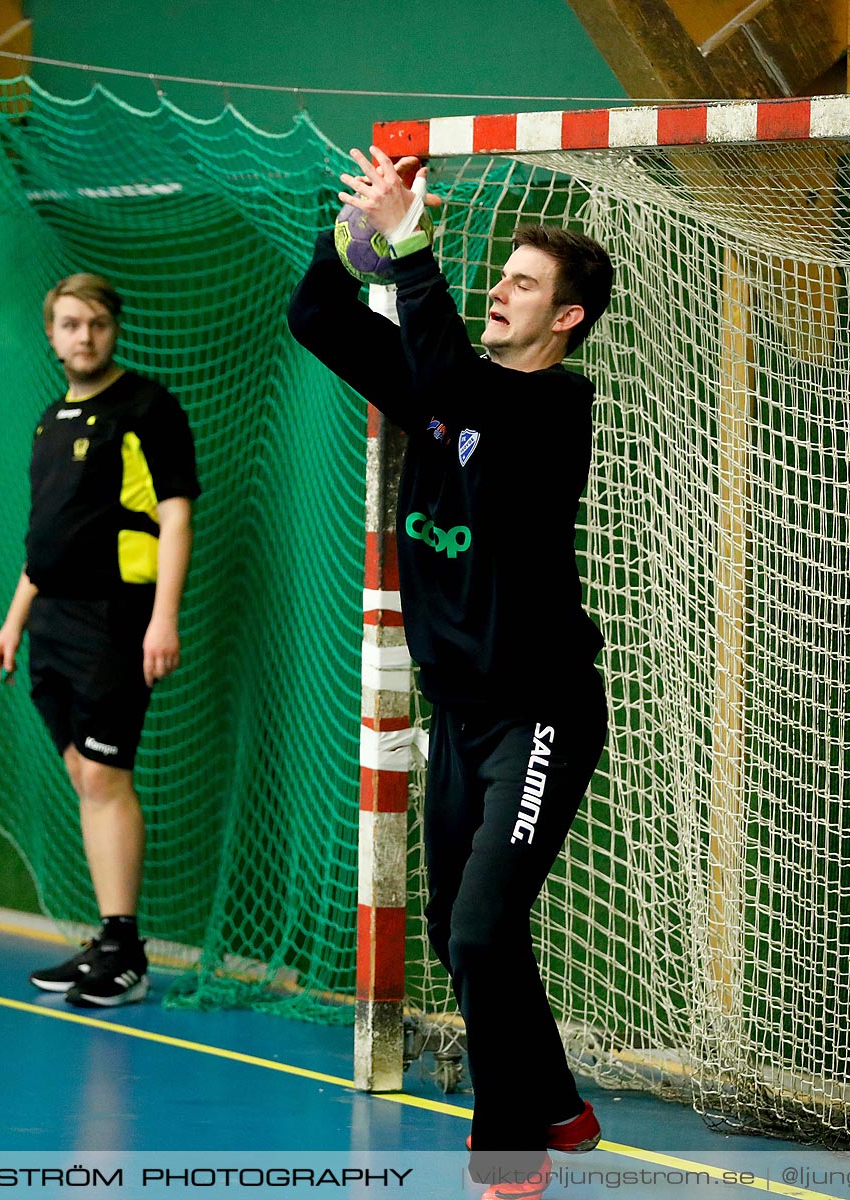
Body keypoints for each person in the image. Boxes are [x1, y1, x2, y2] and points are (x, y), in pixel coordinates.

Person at [287, 148, 614, 1199]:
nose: (499, 291)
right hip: (460, 715)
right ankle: (560, 1102)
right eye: (501, 276)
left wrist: (414, 247)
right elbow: (317, 318)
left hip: (542, 713)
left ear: (565, 319)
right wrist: (357, 239)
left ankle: (509, 1150)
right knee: (454, 933)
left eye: (522, 282)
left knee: (478, 930)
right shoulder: (441, 390)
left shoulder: (555, 410)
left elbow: (447, 377)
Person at [0, 273, 199, 1009]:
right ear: (52, 334)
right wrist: (13, 624)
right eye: (70, 324)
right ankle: (110, 943)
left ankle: (125, 951)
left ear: (114, 329)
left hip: (116, 619)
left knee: (106, 779)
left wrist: (162, 617)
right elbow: (45, 539)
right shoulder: (50, 419)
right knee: (86, 778)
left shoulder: (147, 408)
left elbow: (173, 517)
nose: (84, 336)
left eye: (97, 323)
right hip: (49, 625)